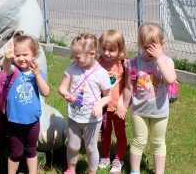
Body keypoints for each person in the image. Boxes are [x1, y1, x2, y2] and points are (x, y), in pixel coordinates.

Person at [122, 23, 177, 174]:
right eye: (146, 47)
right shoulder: (133, 63)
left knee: (158, 142)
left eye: (155, 47)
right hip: (139, 111)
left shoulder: (166, 62)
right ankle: (134, 171)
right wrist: (123, 106)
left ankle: (159, 171)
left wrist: (159, 59)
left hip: (160, 111)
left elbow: (170, 79)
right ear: (140, 45)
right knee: (139, 141)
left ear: (162, 44)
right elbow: (128, 87)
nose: (150, 51)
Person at [58, 33, 111, 174]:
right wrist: (66, 94)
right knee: (73, 145)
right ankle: (71, 168)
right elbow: (62, 88)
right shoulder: (73, 67)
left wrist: (99, 105)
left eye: (78, 56)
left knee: (91, 147)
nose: (75, 59)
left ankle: (92, 171)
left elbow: (108, 97)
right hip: (74, 116)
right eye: (74, 55)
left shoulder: (102, 73)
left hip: (92, 119)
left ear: (92, 54)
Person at [2, 34, 50, 174]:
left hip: (33, 121)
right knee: (16, 153)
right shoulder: (13, 71)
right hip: (14, 121)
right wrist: (7, 58)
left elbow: (46, 92)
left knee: (31, 150)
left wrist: (38, 76)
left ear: (34, 55)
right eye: (17, 55)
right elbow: (6, 68)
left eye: (25, 54)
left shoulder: (37, 72)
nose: (21, 58)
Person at [97, 29, 128, 174]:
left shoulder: (123, 65)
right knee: (105, 133)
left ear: (120, 49)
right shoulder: (98, 63)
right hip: (103, 107)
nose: (107, 53)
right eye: (104, 49)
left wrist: (122, 103)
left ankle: (119, 158)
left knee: (120, 133)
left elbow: (128, 87)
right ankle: (105, 156)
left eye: (112, 50)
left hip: (118, 107)